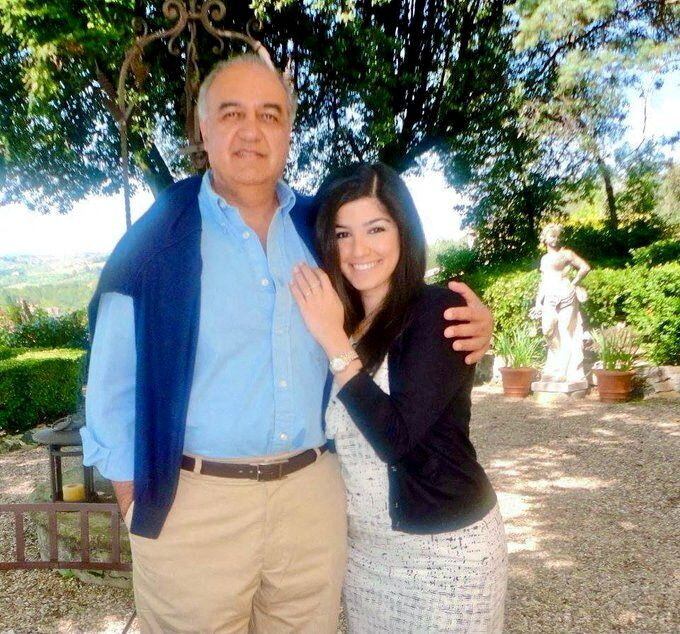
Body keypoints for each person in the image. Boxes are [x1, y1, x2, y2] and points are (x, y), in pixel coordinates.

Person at [80, 54, 494, 633]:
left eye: (269, 115)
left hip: (312, 503)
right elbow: (111, 387)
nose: (251, 131)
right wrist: (133, 504)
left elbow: (385, 290)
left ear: (288, 131)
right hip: (196, 504)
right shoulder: (155, 243)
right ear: (203, 128)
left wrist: (474, 319)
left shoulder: (318, 229)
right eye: (232, 113)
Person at [291, 162, 507, 633]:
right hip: (364, 555)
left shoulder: (438, 311)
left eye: (376, 228)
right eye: (343, 234)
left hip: (447, 553)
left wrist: (334, 342)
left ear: (404, 232)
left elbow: (396, 439)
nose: (359, 250)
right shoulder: (338, 319)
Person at [530, 223, 591, 383]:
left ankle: (563, 370)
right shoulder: (544, 259)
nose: (555, 239)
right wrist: (538, 303)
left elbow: (585, 267)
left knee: (565, 331)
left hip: (566, 294)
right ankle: (557, 362)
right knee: (548, 331)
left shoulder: (566, 254)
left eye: (557, 236)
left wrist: (574, 283)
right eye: (552, 236)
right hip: (550, 297)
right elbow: (544, 281)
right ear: (544, 238)